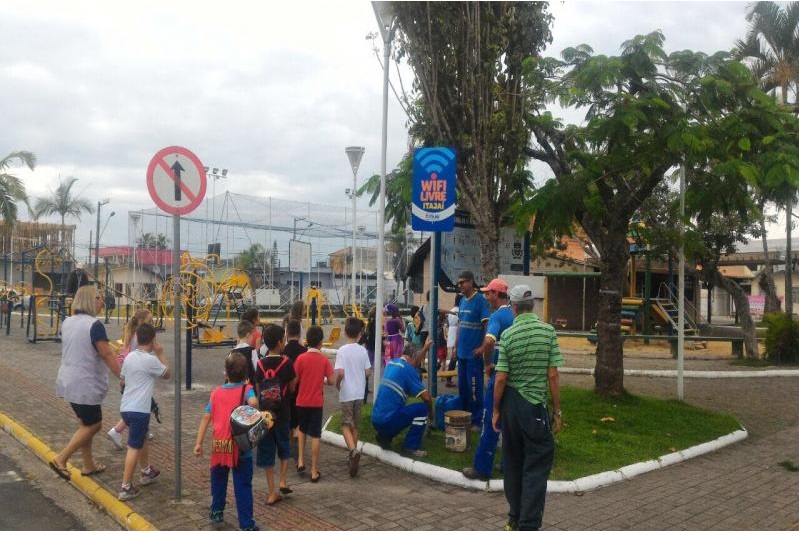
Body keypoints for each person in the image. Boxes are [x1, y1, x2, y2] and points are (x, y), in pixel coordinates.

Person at [492, 285, 563, 531]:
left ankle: (514, 515)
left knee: (512, 461)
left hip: (511, 406)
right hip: (534, 408)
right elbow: (552, 375)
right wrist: (557, 411)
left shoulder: (508, 336)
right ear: (532, 305)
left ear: (512, 307)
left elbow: (501, 378)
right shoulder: (548, 332)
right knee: (537, 463)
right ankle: (529, 524)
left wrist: (496, 410)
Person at [51, 285, 121, 481]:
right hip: (85, 383)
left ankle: (88, 464)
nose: (102, 302)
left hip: (68, 380)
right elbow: (106, 354)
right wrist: (123, 377)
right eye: (99, 298)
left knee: (85, 423)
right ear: (91, 300)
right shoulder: (94, 325)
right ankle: (61, 458)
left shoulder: (67, 322)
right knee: (94, 425)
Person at [193, 352, 261, 530]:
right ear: (245, 373)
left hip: (220, 444)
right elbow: (254, 403)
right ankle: (246, 524)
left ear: (225, 373)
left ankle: (216, 511)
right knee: (243, 485)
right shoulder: (247, 389)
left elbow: (206, 418)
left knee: (218, 480)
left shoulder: (216, 393)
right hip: (240, 446)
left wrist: (198, 443)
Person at [462, 278, 514, 482]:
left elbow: (489, 341)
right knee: (511, 420)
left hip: (499, 373)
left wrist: (487, 363)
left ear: (496, 294)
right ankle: (509, 463)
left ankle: (482, 468)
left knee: (490, 419)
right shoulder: (515, 315)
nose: (486, 297)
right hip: (515, 376)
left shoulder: (497, 316)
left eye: (489, 293)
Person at [117, 323, 170, 501]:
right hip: (140, 410)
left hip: (126, 407)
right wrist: (161, 352)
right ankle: (125, 486)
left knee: (143, 437)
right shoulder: (150, 360)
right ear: (153, 340)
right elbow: (167, 373)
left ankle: (146, 470)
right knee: (133, 446)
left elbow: (122, 381)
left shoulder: (130, 357)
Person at [254, 323, 297, 506]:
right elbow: (293, 387)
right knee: (284, 446)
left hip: (265, 416)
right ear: (280, 342)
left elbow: (257, 390)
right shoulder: (287, 363)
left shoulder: (260, 364)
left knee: (267, 451)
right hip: (283, 413)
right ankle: (283, 481)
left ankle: (272, 492)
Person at [371, 338, 433, 458]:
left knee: (395, 410)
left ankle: (384, 437)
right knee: (422, 409)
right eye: (418, 359)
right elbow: (427, 398)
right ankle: (411, 447)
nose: (418, 364)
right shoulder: (408, 369)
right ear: (413, 357)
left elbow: (415, 360)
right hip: (387, 421)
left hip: (376, 420)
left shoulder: (392, 363)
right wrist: (431, 414)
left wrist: (425, 348)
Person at [293, 325, 336, 482]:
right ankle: (314, 471)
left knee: (302, 430)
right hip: (316, 402)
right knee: (316, 435)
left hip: (301, 401)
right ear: (321, 342)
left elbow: (295, 379)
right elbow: (331, 381)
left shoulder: (301, 358)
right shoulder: (324, 360)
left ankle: (300, 461)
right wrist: (322, 380)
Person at [107, 309, 154, 450]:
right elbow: (140, 359)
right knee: (139, 407)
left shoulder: (133, 335)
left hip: (133, 379)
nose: (152, 324)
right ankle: (116, 430)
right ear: (140, 322)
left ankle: (136, 430)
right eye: (149, 321)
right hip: (137, 380)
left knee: (139, 406)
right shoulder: (138, 339)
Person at [334, 317, 372, 477]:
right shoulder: (363, 350)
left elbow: (341, 372)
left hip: (347, 393)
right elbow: (368, 371)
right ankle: (353, 456)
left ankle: (353, 451)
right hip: (359, 393)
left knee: (345, 425)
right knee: (354, 425)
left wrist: (338, 383)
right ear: (360, 334)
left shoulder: (342, 351)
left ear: (345, 332)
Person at [455, 271, 490, 427]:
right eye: (459, 283)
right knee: (463, 388)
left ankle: (477, 420)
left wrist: (483, 347)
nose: (460, 285)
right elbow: (460, 326)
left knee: (475, 389)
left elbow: (487, 326)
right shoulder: (462, 301)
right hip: (461, 355)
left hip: (473, 356)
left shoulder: (480, 301)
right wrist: (455, 347)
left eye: (463, 282)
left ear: (471, 282)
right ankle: (464, 417)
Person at [282, 319, 306, 449]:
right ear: (300, 333)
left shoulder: (283, 351)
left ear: (286, 333)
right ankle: (298, 435)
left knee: (289, 417)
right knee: (299, 417)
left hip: (287, 390)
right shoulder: (305, 351)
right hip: (301, 390)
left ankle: (292, 439)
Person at [231, 320, 258, 385]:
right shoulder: (252, 351)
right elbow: (257, 368)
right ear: (248, 335)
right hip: (249, 388)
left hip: (235, 387)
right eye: (252, 336)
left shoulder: (231, 353)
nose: (252, 338)